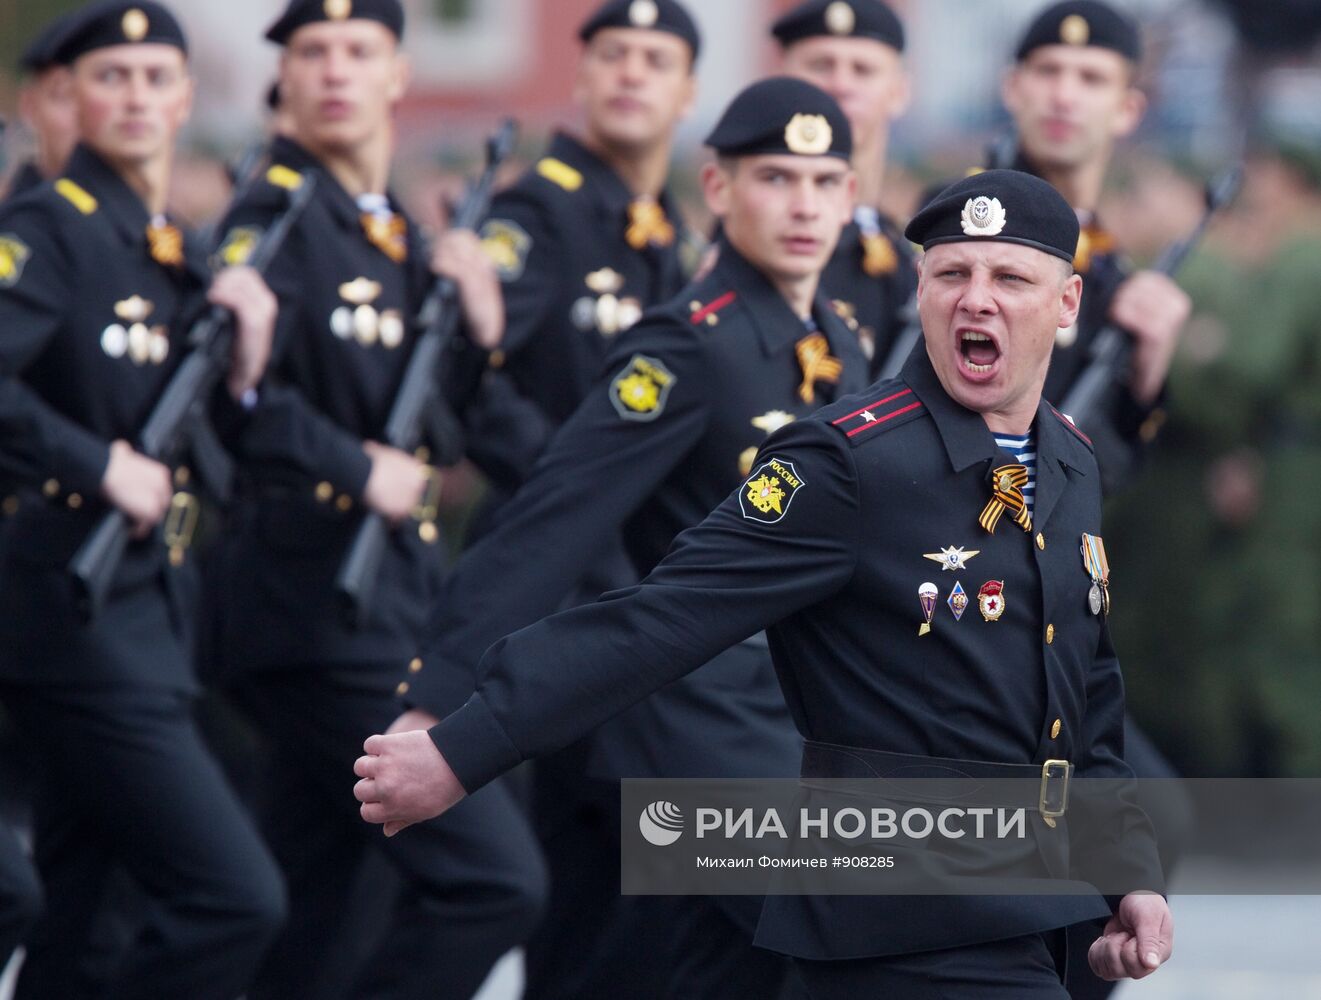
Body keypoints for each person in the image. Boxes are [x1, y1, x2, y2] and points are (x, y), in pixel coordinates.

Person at [357, 168, 1174, 997]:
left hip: (1015, 914)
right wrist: (461, 746)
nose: (975, 301)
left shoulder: (1068, 462)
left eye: (1009, 279)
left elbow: (1083, 701)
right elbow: (658, 619)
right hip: (901, 918)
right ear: (920, 289)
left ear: (1067, 304)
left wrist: (1123, 873)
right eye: (951, 274)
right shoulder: (851, 461)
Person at [384, 76, 868, 998]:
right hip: (688, 726)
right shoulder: (686, 347)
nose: (803, 204)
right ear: (718, 191)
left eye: (823, 181)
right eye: (775, 178)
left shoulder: (838, 343)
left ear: (850, 195)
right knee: (846, 933)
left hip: (791, 718)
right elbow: (552, 519)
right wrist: (437, 693)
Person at [207, 1, 546, 997]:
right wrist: (357, 467)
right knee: (494, 881)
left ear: (399, 75)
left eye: (360, 52)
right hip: (310, 593)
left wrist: (480, 330)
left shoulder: (387, 224)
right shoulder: (270, 213)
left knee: (316, 902)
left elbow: (437, 426)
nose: (336, 70)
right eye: (313, 52)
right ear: (285, 79)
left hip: (380, 595)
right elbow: (231, 396)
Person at [0, 3, 287, 997]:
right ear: (69, 96)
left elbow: (204, 450)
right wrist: (94, 462)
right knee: (235, 895)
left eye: (154, 77)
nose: (133, 96)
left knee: (88, 908)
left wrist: (243, 362)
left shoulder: (169, 247)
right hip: (74, 612)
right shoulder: (50, 226)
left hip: (152, 603)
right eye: (110, 76)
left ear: (183, 101)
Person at [464, 0, 700, 499]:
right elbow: (470, 374)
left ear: (688, 95)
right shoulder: (537, 210)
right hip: (552, 539)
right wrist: (567, 481)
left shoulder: (671, 231)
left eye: (657, 61)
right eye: (613, 55)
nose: (631, 75)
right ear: (581, 79)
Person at [999, 0, 1191, 491]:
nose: (1065, 96)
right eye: (1048, 71)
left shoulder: (1109, 272)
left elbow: (1105, 476)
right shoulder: (951, 225)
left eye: (1091, 79)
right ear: (1013, 89)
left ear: (1127, 109)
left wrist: (1147, 372)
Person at [774, 0, 917, 372]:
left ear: (900, 91)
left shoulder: (905, 251)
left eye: (863, 69)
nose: (840, 85)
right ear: (781, 79)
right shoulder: (755, 242)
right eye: (821, 65)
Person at [2, 12, 81, 201]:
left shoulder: (152, 215)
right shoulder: (17, 221)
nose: (87, 114)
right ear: (30, 106)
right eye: (66, 97)